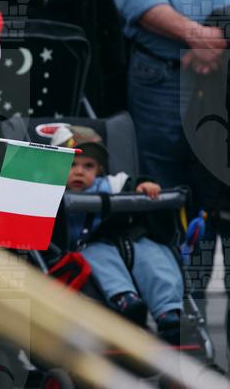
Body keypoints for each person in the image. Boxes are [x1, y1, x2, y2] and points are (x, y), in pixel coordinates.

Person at [103, 0, 230, 361]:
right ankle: (185, 354)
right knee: (167, 213)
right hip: (162, 75)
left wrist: (227, 34)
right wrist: (196, 36)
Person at [53, 126, 184, 343]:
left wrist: (144, 186)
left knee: (154, 255)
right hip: (85, 248)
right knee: (97, 257)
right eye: (71, 164)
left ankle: (169, 312)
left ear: (99, 170)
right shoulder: (49, 191)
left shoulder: (110, 185)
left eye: (88, 166)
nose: (79, 172)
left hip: (125, 243)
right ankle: (125, 299)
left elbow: (130, 183)